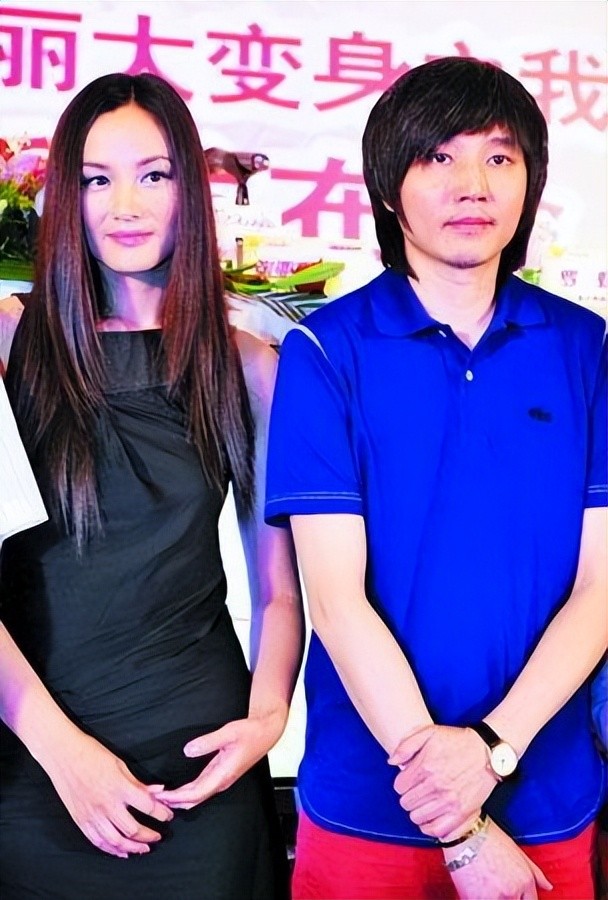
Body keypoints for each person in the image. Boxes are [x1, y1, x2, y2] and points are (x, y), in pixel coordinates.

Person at [265, 56, 607, 900]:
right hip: (369, 802)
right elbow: (335, 603)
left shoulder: (587, 347)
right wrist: (459, 826)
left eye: (499, 157)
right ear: (389, 187)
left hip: (547, 795)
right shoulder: (325, 350)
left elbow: (601, 587)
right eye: (438, 157)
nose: (472, 185)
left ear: (529, 181)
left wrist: (492, 748)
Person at [0, 72, 303, 899]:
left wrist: (267, 718)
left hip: (202, 761)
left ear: (190, 192)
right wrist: (60, 752)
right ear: (65, 196)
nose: (124, 205)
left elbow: (279, 592)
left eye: (154, 175)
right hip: (32, 754)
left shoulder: (248, 366)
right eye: (96, 179)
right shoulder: (12, 345)